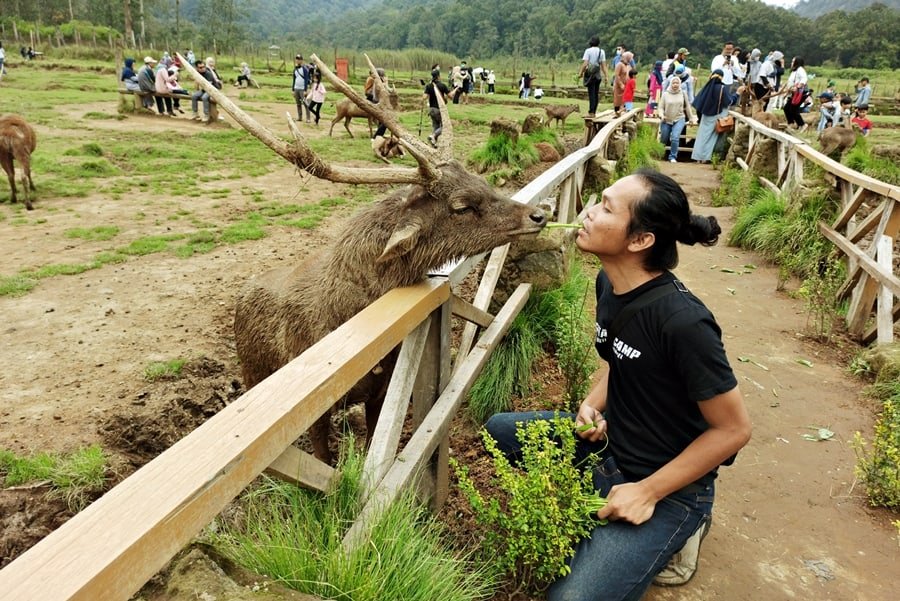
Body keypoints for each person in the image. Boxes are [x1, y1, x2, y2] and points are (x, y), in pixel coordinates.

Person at [485, 169, 751, 601]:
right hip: (609, 446)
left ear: (640, 240)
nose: (588, 214)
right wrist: (592, 404)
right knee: (500, 431)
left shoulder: (684, 323)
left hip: (667, 484)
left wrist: (647, 492)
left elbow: (734, 430)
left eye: (606, 208)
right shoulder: (609, 283)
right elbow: (623, 360)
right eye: (596, 201)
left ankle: (687, 527)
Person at [691, 69, 736, 163]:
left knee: (702, 137)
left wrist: (699, 118)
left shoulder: (706, 88)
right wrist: (737, 94)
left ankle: (698, 157)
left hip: (705, 117)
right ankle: (706, 158)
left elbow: (698, 103)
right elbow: (729, 101)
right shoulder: (722, 88)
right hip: (717, 116)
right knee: (712, 138)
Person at [658, 76, 695, 163]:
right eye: (674, 83)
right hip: (666, 119)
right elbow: (660, 107)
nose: (675, 85)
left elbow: (687, 106)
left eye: (677, 83)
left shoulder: (683, 93)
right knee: (664, 138)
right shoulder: (665, 94)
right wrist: (662, 115)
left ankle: (673, 156)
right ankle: (660, 154)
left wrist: (691, 118)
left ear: (680, 84)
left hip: (679, 118)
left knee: (675, 137)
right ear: (671, 83)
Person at [579, 35, 607, 117]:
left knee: (591, 93)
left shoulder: (588, 51)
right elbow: (603, 65)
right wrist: (606, 76)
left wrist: (581, 73)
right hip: (598, 74)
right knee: (596, 93)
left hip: (590, 74)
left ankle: (591, 112)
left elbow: (585, 64)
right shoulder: (602, 51)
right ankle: (594, 111)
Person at [423, 69, 450, 148]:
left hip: (431, 109)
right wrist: (455, 90)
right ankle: (433, 135)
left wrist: (425, 90)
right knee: (445, 126)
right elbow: (450, 95)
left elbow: (424, 97)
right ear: (438, 76)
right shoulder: (442, 85)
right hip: (439, 109)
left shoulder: (429, 86)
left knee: (436, 126)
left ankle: (434, 143)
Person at [782, 56, 809, 131]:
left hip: (800, 93)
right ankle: (791, 123)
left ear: (797, 62)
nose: (791, 63)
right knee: (786, 108)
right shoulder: (794, 71)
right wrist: (787, 93)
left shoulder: (800, 70)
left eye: (793, 61)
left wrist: (798, 87)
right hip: (793, 93)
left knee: (793, 109)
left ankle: (802, 124)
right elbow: (790, 82)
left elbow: (804, 79)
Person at [292, 54, 310, 122]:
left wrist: (305, 90)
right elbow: (294, 80)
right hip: (296, 88)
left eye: (299, 59)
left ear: (301, 60)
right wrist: (293, 90)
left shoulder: (304, 69)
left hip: (302, 89)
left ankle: (308, 118)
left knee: (305, 103)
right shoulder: (295, 69)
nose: (298, 60)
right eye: (297, 59)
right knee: (298, 104)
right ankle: (300, 117)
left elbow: (306, 79)